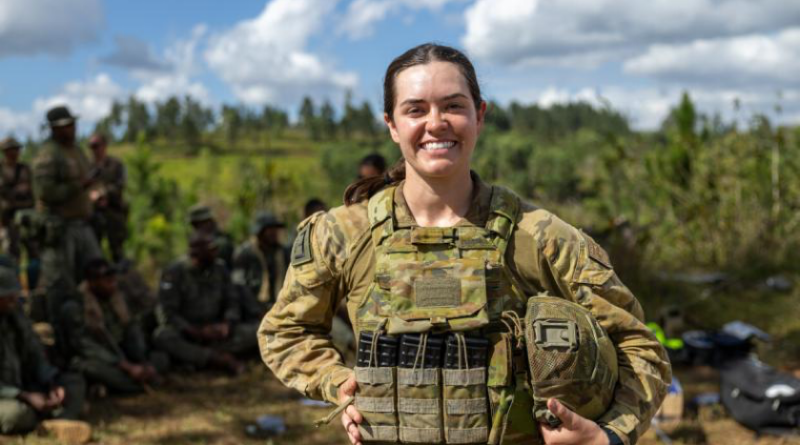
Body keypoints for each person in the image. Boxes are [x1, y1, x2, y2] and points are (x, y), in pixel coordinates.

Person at [259, 44, 670, 445]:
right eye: (416, 109)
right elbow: (285, 332)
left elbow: (639, 345)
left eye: (453, 106)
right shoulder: (342, 234)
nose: (436, 123)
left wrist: (610, 434)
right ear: (391, 124)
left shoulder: (541, 237)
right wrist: (337, 383)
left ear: (480, 115)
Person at [0, 260, 90, 443]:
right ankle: (56, 417)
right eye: (8, 296)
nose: (14, 299)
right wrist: (24, 396)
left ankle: (54, 420)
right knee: (15, 415)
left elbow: (35, 353)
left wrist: (51, 383)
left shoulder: (16, 316)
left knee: (74, 382)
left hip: (27, 387)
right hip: (9, 396)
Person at [31, 105, 102, 323]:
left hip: (81, 224)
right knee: (61, 284)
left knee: (96, 273)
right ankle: (60, 330)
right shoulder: (48, 154)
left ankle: (90, 323)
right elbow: (46, 192)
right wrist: (79, 186)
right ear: (53, 129)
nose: (71, 129)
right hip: (60, 227)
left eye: (72, 124)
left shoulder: (76, 150)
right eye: (65, 126)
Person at [153, 232, 257, 375]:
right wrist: (195, 331)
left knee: (260, 330)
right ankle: (217, 359)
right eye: (211, 248)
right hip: (189, 334)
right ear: (196, 252)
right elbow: (167, 314)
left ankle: (199, 359)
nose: (216, 251)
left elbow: (232, 300)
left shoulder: (220, 268)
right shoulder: (174, 272)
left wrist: (227, 323)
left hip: (218, 332)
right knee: (162, 336)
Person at [60, 258, 166, 395]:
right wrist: (125, 366)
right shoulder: (75, 307)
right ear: (92, 282)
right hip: (95, 359)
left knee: (160, 358)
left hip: (121, 355)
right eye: (108, 281)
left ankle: (135, 378)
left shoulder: (115, 298)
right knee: (95, 370)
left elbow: (130, 329)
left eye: (114, 279)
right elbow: (84, 346)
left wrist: (142, 362)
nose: (113, 284)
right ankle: (132, 384)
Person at [232, 211, 289, 312]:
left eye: (275, 229)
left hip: (280, 307)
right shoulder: (245, 253)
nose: (274, 232)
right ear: (260, 231)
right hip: (251, 311)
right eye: (270, 229)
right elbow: (238, 284)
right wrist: (256, 309)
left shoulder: (283, 253)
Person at [87, 134, 128, 263]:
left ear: (104, 146)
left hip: (113, 212)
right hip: (93, 213)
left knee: (117, 251)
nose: (94, 149)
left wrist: (103, 194)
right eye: (91, 146)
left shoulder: (116, 164)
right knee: (93, 251)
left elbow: (120, 185)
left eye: (96, 146)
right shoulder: (87, 166)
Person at [0, 137, 35, 261]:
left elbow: (35, 189)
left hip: (28, 215)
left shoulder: (25, 168)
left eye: (17, 149)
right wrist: (15, 190)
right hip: (9, 217)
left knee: (34, 250)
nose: (15, 152)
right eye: (12, 149)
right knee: (11, 253)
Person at [187, 204, 234, 270]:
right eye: (195, 225)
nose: (196, 229)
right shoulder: (195, 241)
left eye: (198, 224)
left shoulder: (222, 243)